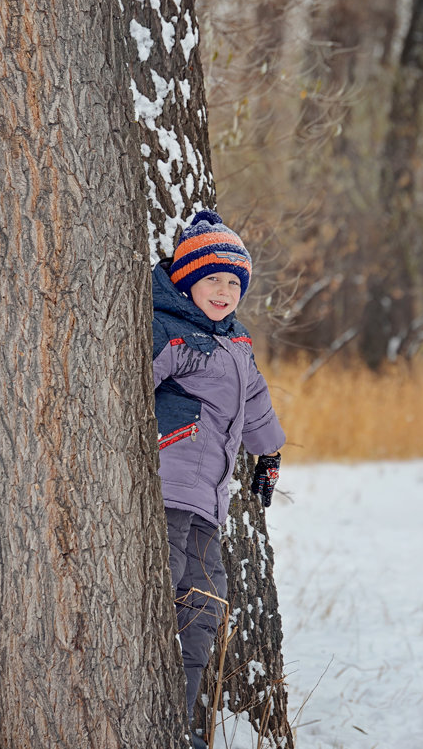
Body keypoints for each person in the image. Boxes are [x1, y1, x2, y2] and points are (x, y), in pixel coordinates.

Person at [152, 209, 285, 748]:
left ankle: (179, 725)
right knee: (161, 585)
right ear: (187, 280)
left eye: (234, 282)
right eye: (214, 279)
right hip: (163, 489)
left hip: (208, 502)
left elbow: (255, 403)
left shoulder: (237, 345)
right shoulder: (170, 331)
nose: (225, 291)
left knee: (206, 601)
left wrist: (269, 454)